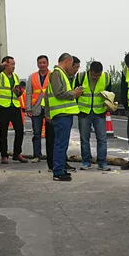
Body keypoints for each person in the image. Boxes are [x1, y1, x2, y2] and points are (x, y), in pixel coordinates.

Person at [46, 53, 83, 181]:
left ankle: (60, 169)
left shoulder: (62, 75)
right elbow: (59, 93)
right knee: (60, 144)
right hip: (61, 115)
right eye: (71, 63)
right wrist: (75, 93)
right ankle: (58, 172)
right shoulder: (57, 73)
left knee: (62, 143)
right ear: (67, 61)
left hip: (65, 114)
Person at [74, 61, 112, 171]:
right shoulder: (81, 77)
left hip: (99, 112)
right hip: (84, 112)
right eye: (94, 75)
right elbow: (75, 93)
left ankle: (102, 162)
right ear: (90, 71)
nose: (96, 77)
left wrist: (109, 104)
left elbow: (110, 94)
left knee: (102, 138)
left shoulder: (106, 77)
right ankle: (86, 161)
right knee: (84, 138)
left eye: (98, 75)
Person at [0, 56, 28, 164]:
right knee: (3, 132)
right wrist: (1, 67)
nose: (14, 67)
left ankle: (17, 153)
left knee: (20, 130)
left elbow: (18, 92)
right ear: (5, 65)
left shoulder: (15, 76)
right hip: (3, 106)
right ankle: (4, 155)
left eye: (14, 64)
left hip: (14, 106)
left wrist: (18, 91)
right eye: (12, 64)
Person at [25, 55, 55, 168]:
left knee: (50, 134)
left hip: (49, 108)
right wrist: (28, 108)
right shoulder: (32, 77)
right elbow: (28, 93)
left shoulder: (53, 75)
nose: (42, 65)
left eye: (44, 63)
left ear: (48, 63)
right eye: (40, 63)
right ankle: (37, 155)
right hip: (36, 108)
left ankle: (50, 155)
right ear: (37, 64)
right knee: (36, 133)